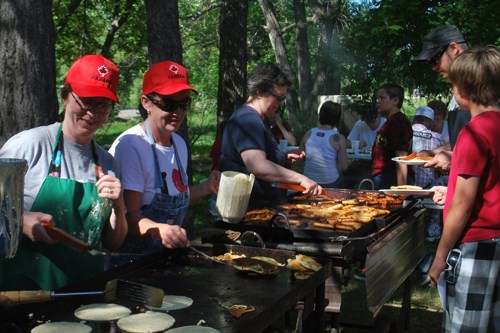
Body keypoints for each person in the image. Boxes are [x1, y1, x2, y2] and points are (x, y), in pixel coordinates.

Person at [0, 55, 128, 290]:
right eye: (86, 101)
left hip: (85, 295)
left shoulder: (107, 162)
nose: (93, 112)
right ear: (66, 96)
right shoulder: (30, 145)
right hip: (26, 294)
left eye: (103, 104)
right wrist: (19, 223)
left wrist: (118, 206)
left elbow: (113, 242)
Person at [109, 60, 220, 259]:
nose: (177, 113)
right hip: (134, 262)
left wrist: (206, 188)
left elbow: (175, 197)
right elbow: (127, 216)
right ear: (146, 103)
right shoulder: (131, 146)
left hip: (165, 258)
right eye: (169, 104)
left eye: (184, 104)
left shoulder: (178, 143)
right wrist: (161, 231)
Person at [428, 46, 500, 332]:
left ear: (465, 89)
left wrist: (439, 257)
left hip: (477, 247)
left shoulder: (473, 133)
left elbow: (464, 205)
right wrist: (453, 194)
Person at [220, 62, 323, 210]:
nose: (281, 104)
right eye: (279, 98)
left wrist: (283, 157)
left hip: (260, 208)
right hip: (249, 212)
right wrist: (300, 178)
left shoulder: (256, 118)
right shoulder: (248, 120)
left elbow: (256, 157)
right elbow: (258, 165)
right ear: (260, 91)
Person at [415, 25, 471, 172]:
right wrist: (434, 153)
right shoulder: (458, 91)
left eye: (435, 59)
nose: (433, 67)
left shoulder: (485, 87)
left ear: (453, 49)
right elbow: (460, 142)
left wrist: (455, 158)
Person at [371, 83, 413, 190]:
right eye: (377, 98)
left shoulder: (398, 121)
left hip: (391, 178)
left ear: (395, 100)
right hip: (385, 176)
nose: (378, 101)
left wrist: (401, 190)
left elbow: (401, 155)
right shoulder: (392, 120)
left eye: (382, 98)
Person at [301, 101, 348, 188]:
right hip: (330, 182)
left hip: (308, 181)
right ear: (337, 118)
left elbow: (301, 157)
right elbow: (343, 166)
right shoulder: (338, 138)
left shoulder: (309, 133)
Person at [411, 106, 445, 188]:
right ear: (430, 122)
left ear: (414, 119)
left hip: (407, 186)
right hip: (428, 188)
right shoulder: (437, 137)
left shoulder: (406, 133)